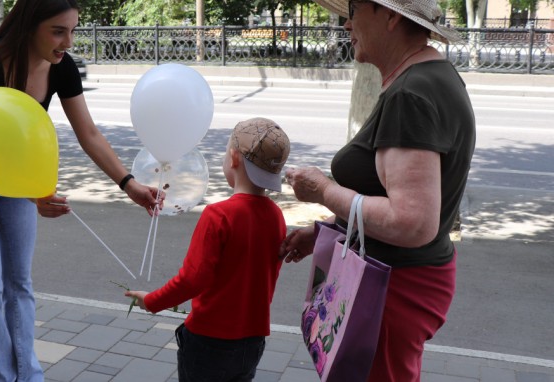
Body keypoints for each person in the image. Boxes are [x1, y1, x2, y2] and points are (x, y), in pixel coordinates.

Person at [0, 0, 159, 380]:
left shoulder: (62, 67)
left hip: (19, 172)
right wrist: (30, 194)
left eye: (72, 30)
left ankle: (28, 373)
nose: (68, 42)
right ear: (28, 27)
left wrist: (129, 184)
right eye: (58, 31)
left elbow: (88, 133)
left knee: (19, 281)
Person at [282, 0, 476, 381]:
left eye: (354, 9)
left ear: (390, 17)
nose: (345, 23)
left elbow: (410, 222)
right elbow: (387, 195)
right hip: (399, 282)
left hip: (393, 289)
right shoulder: (428, 76)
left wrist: (322, 189)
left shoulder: (411, 94)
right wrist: (331, 230)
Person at [125, 118, 290, 382]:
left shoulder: (219, 215)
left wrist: (152, 301)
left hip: (209, 341)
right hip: (252, 341)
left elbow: (193, 279)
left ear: (234, 158)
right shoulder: (276, 215)